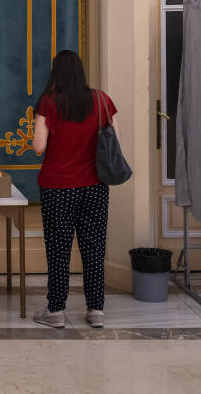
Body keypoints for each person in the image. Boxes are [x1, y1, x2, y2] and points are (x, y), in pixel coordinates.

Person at [31, 50, 115, 329]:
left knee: (58, 248)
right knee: (94, 246)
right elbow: (116, 141)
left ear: (56, 72)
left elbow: (38, 146)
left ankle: (56, 311)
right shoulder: (102, 100)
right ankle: (96, 310)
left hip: (58, 186)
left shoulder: (49, 102)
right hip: (95, 185)